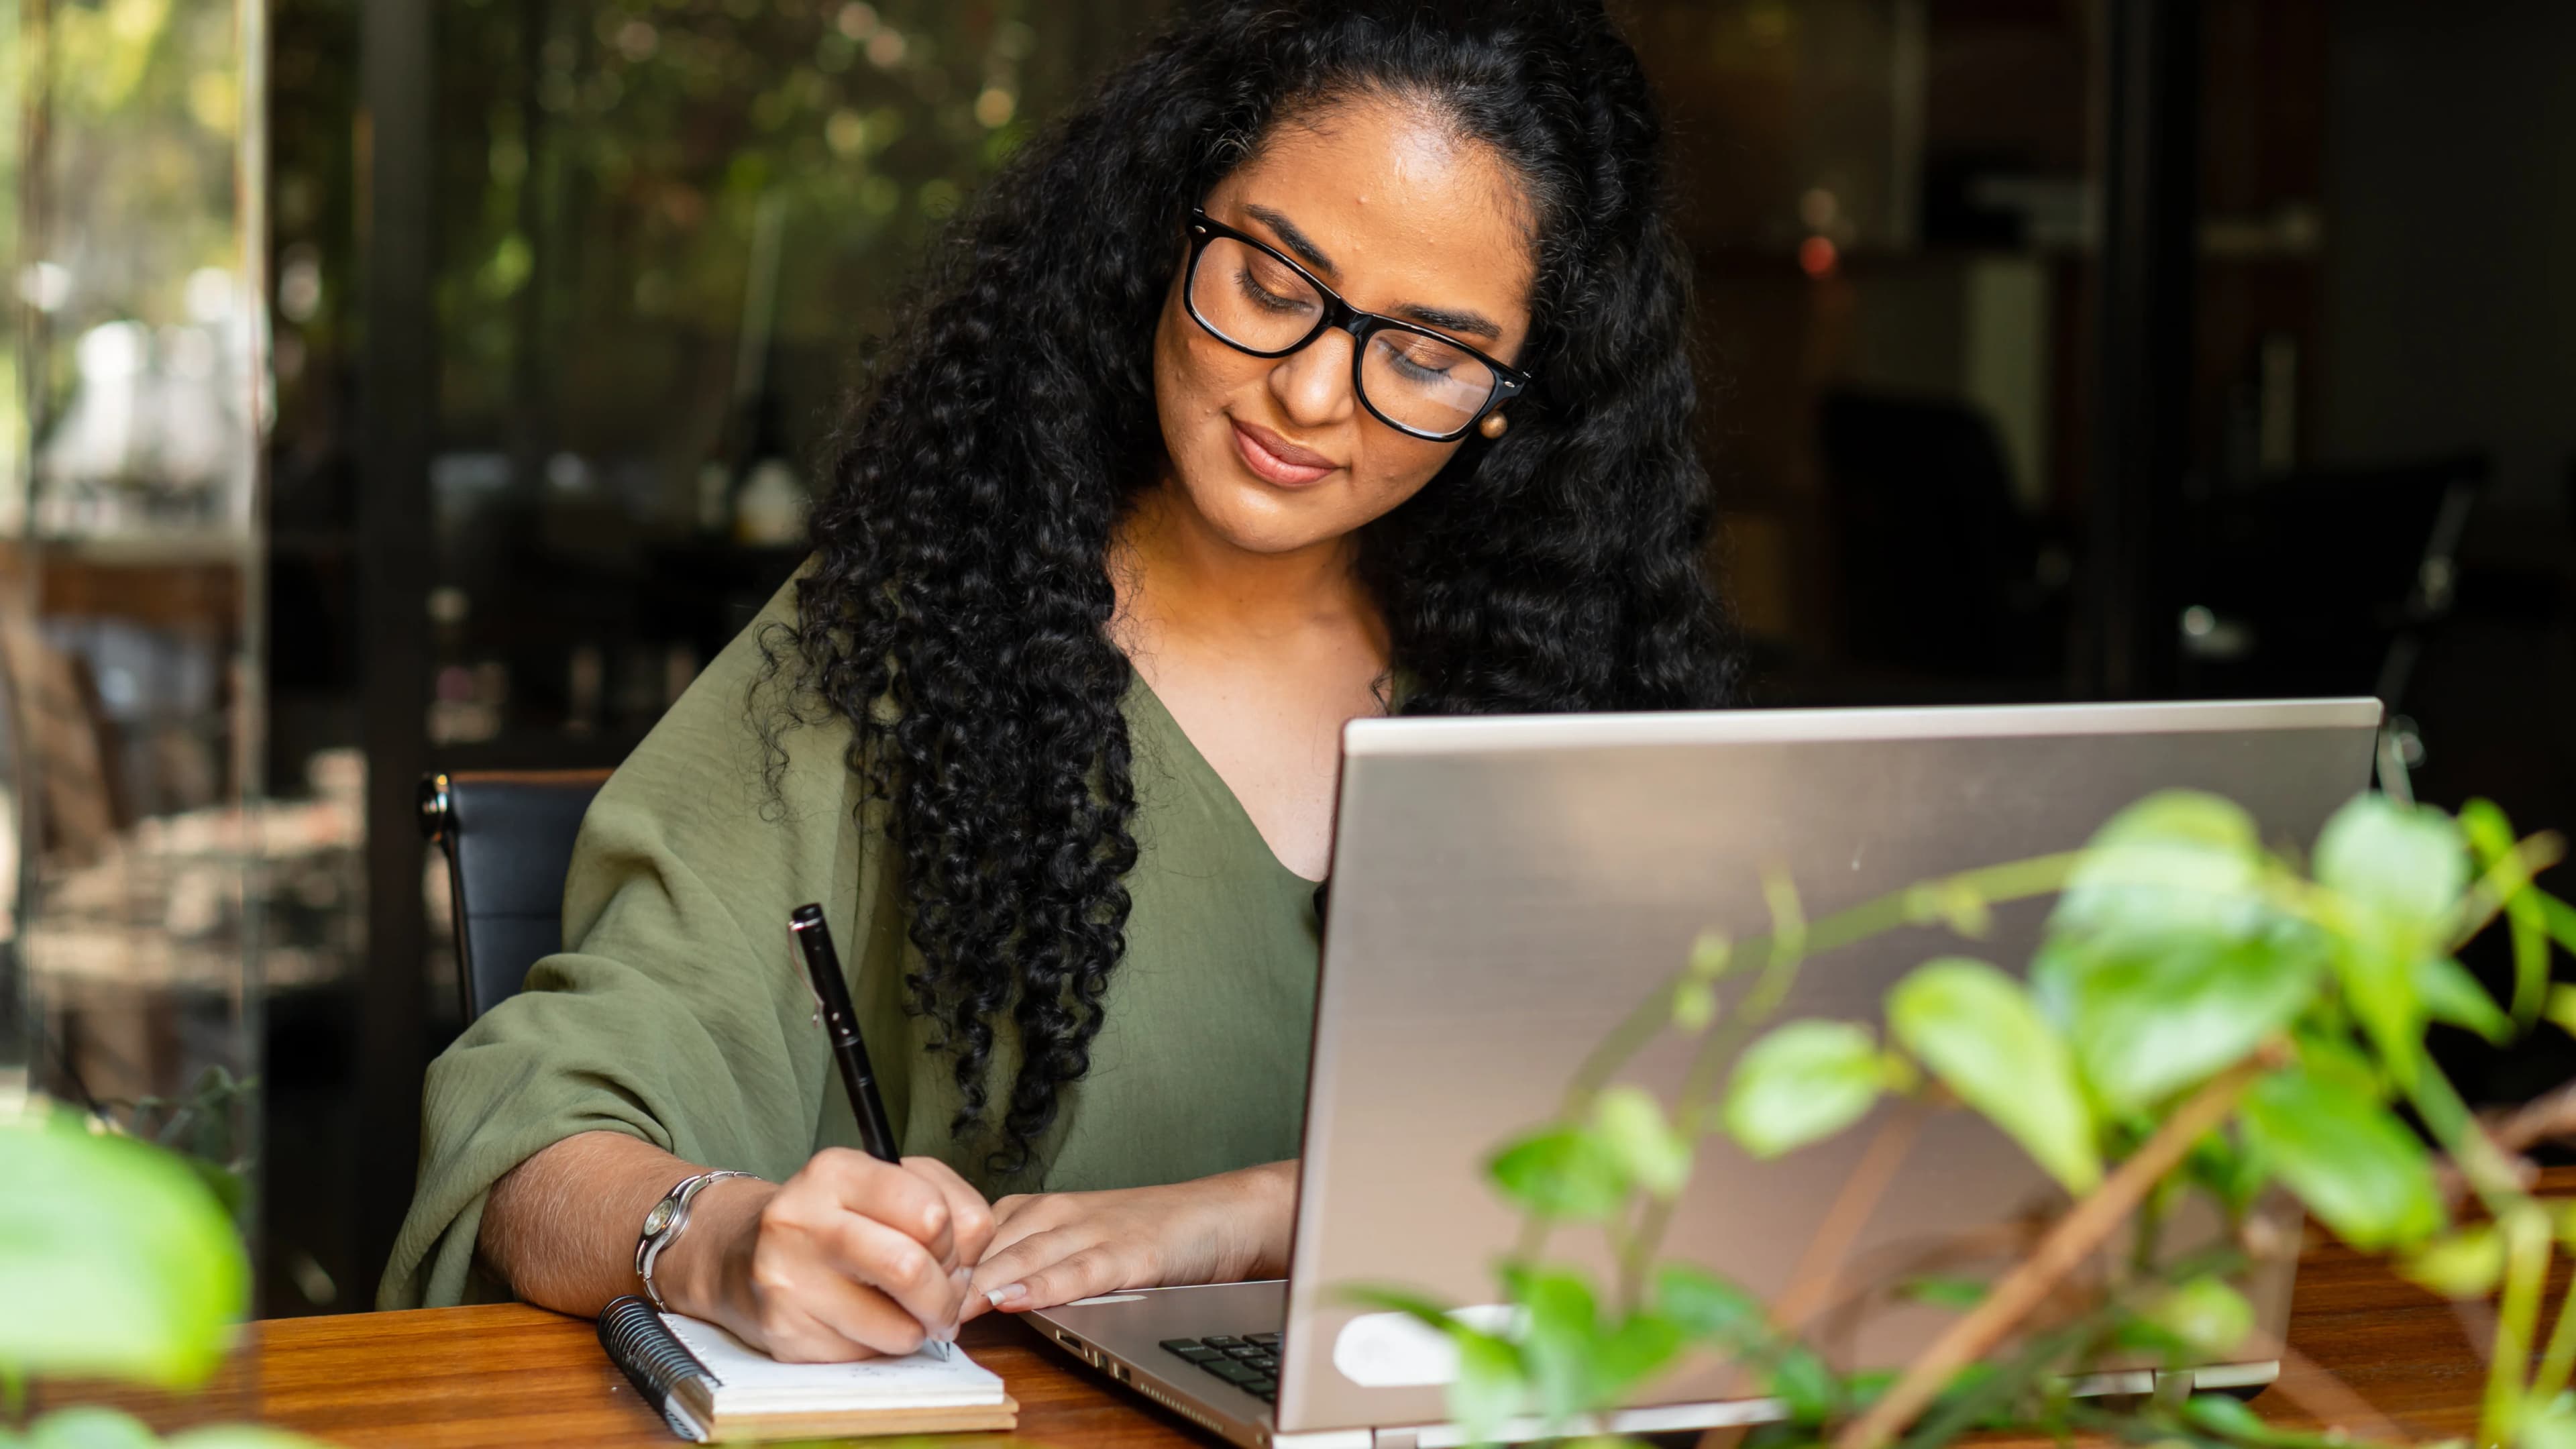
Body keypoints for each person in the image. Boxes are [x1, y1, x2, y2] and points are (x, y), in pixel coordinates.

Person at [380, 0, 1735, 1363]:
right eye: (1269, 283)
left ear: (1514, 398)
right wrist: (714, 1238)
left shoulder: (1563, 699)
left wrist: (1265, 1214)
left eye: (1426, 358)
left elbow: (1732, 1188)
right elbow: (535, 1143)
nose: (1314, 393)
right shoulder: (912, 644)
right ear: (1165, 229)